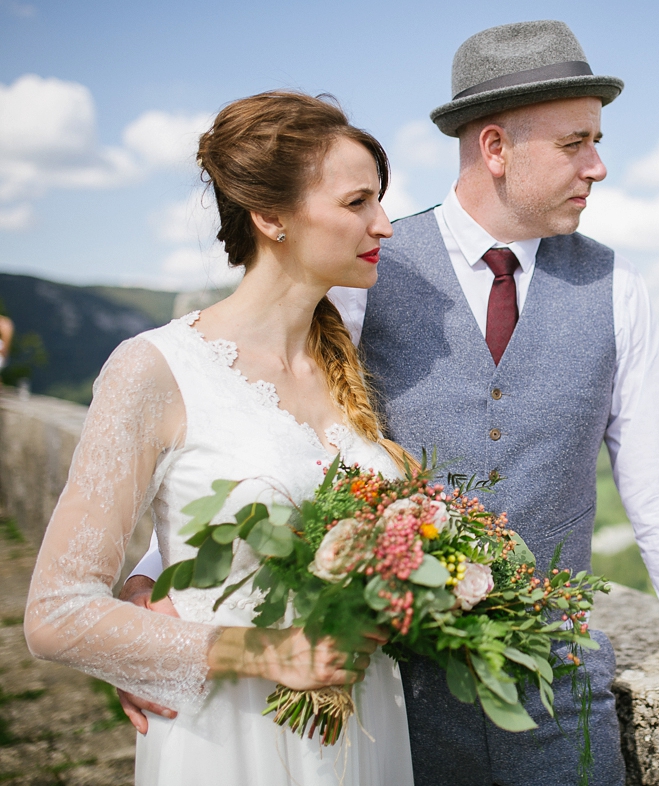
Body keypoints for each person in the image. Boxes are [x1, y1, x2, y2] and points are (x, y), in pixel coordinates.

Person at [125, 20, 659, 786]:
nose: (598, 166)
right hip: (389, 692)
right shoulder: (361, 272)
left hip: (554, 690)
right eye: (576, 144)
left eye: (596, 141)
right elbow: (259, 435)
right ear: (497, 148)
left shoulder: (619, 289)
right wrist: (162, 580)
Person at [25, 91, 414, 786]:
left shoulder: (345, 361)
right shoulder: (155, 368)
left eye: (379, 201)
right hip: (232, 740)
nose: (383, 224)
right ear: (271, 218)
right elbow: (56, 613)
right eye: (358, 203)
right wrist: (267, 652)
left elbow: (247, 494)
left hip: (367, 733)